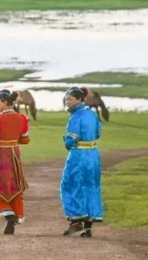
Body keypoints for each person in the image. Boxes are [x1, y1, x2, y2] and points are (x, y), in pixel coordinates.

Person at [0, 89, 30, 235]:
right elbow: (25, 139)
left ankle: (8, 215)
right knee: (15, 185)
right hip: (14, 155)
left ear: (4, 103)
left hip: (0, 156)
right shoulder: (22, 118)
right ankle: (15, 214)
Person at [59, 87, 104, 238]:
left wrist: (67, 143)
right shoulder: (92, 114)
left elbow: (72, 139)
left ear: (79, 99)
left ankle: (76, 220)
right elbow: (98, 133)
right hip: (93, 154)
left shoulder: (76, 116)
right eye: (66, 99)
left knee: (71, 184)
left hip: (79, 154)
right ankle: (88, 228)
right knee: (91, 185)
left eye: (70, 99)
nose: (67, 102)